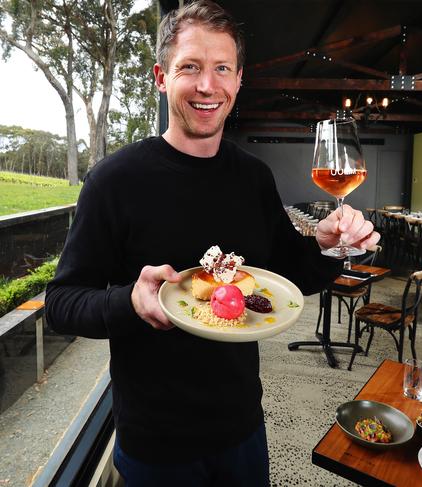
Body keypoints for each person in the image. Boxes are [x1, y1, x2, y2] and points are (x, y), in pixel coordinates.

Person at [44, 1, 378, 485]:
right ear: (161, 77)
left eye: (222, 68)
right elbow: (61, 303)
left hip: (242, 429)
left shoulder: (254, 178)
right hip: (156, 443)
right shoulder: (114, 180)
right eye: (190, 67)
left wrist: (328, 246)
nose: (207, 85)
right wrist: (130, 302)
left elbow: (292, 274)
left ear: (239, 79)